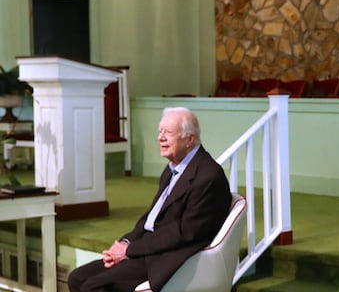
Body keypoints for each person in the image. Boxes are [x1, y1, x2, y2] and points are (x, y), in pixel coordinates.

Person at [68, 107, 231, 292]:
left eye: (168, 133)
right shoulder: (172, 168)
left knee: (92, 286)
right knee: (77, 278)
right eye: (159, 131)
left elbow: (183, 232)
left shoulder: (208, 176)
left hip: (166, 257)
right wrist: (126, 243)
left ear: (189, 139)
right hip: (147, 249)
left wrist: (130, 251)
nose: (160, 138)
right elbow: (152, 218)